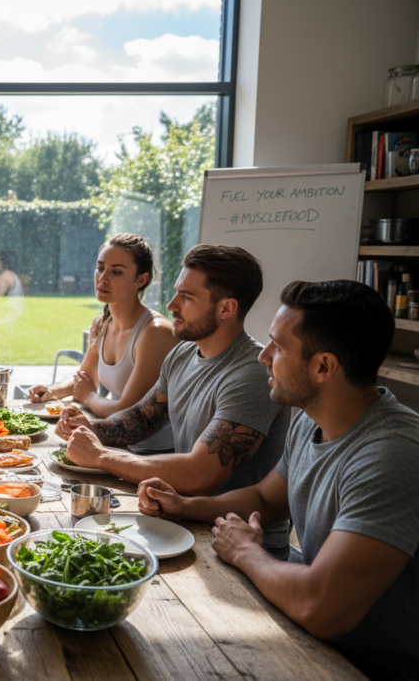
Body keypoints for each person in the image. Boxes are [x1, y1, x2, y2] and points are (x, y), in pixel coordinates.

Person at [137, 280, 419, 680]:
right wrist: (185, 505)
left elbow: (321, 607)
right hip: (315, 638)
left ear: (323, 367)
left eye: (278, 347)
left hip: (372, 665)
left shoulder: (392, 455)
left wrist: (247, 553)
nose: (263, 357)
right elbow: (267, 500)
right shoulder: (311, 418)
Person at [57, 244, 291, 555]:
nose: (171, 305)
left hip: (243, 545)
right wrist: (89, 430)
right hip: (183, 519)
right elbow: (143, 417)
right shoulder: (183, 352)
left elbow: (199, 474)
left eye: (187, 297)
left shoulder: (251, 375)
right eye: (176, 292)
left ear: (226, 308)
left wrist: (100, 456)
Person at [29, 233, 178, 452]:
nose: (102, 278)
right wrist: (52, 391)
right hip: (112, 441)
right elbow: (85, 379)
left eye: (116, 272)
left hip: (150, 453)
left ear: (141, 279)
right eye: (100, 268)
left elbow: (125, 410)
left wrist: (89, 396)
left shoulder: (155, 333)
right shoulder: (101, 323)